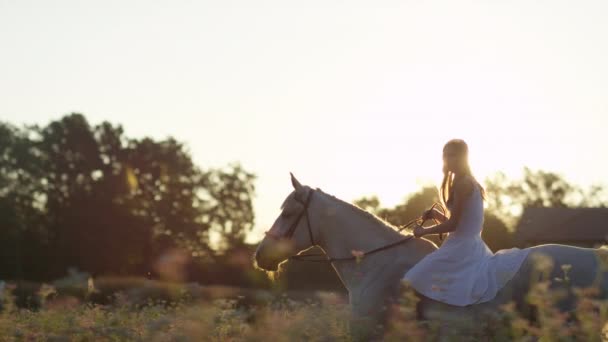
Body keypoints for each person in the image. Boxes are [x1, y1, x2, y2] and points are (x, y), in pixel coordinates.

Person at [402, 139, 531, 306]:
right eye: (445, 156)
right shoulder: (467, 181)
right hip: (467, 244)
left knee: (414, 278)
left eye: (452, 155)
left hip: (462, 247)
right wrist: (436, 214)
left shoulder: (463, 184)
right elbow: (461, 223)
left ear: (463, 158)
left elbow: (453, 226)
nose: (448, 160)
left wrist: (423, 232)